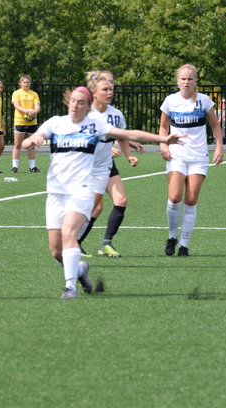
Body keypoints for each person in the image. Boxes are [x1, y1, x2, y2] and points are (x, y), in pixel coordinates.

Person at [22, 87, 185, 299]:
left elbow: (130, 134)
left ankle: (70, 288)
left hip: (81, 190)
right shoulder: (55, 122)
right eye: (73, 101)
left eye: (81, 102)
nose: (76, 105)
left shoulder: (95, 125)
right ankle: (80, 270)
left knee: (69, 233)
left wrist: (163, 139)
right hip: (56, 193)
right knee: (55, 250)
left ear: (87, 106)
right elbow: (30, 139)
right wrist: (30, 141)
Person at [77, 70, 145, 258]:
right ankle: (72, 241)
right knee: (94, 206)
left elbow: (121, 136)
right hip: (86, 166)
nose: (109, 91)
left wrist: (128, 155)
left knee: (121, 200)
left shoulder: (116, 114)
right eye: (106, 87)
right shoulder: (85, 113)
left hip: (105, 165)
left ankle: (106, 243)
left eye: (111, 87)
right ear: (95, 90)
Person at [159, 63, 223, 257]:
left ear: (195, 81)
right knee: (174, 197)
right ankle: (172, 236)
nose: (186, 82)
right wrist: (163, 145)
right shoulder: (170, 101)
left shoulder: (204, 101)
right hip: (177, 155)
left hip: (198, 157)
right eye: (183, 79)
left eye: (190, 79)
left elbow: (215, 125)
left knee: (191, 199)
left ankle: (184, 245)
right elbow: (163, 127)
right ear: (177, 81)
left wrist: (219, 147)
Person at [11, 74, 41, 173]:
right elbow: (17, 106)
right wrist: (27, 111)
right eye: (24, 82)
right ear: (20, 83)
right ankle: (15, 167)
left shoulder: (34, 94)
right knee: (17, 145)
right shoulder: (16, 93)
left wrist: (34, 112)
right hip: (20, 121)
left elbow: (37, 106)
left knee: (31, 145)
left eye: (28, 82)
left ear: (30, 83)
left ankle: (32, 167)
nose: (26, 84)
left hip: (32, 122)